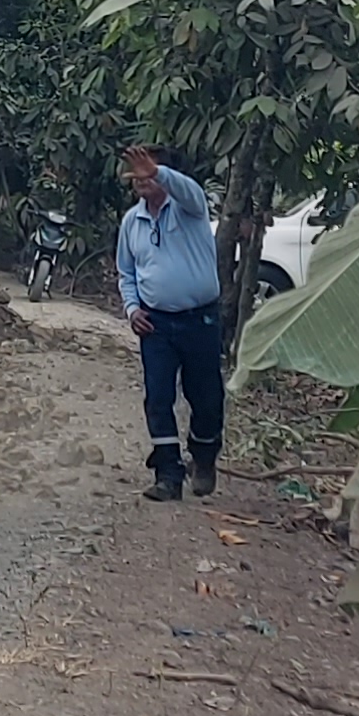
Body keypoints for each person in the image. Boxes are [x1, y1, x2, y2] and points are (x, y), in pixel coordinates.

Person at [114, 140, 227, 502]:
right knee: (158, 397)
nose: (140, 178)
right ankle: (168, 474)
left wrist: (158, 172)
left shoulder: (189, 208)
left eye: (147, 171)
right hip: (156, 324)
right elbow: (126, 272)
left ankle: (204, 457)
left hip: (200, 319)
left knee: (206, 397)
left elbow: (190, 191)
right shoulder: (132, 222)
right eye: (136, 173)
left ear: (165, 174)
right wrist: (133, 309)